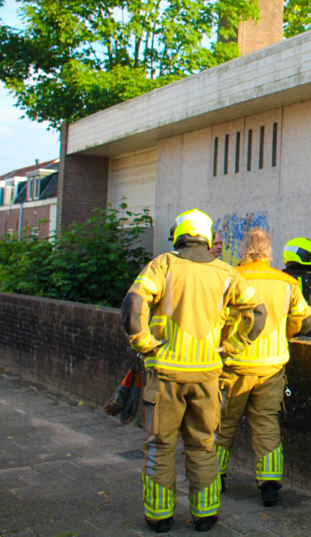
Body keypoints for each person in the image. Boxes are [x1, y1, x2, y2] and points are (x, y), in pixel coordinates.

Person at [122, 209, 265, 533]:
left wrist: (144, 343)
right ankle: (205, 514)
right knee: (203, 445)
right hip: (208, 377)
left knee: (161, 445)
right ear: (205, 235)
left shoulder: (163, 265)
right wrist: (231, 348)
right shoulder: (227, 273)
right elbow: (258, 312)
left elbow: (133, 305)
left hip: (167, 376)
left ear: (179, 234)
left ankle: (159, 517)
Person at [217, 228, 311, 508]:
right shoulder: (286, 281)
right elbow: (304, 321)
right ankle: (269, 486)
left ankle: (214, 477)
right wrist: (286, 333)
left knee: (223, 423)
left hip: (235, 365)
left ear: (243, 248)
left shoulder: (230, 278)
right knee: (267, 424)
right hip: (272, 367)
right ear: (269, 250)